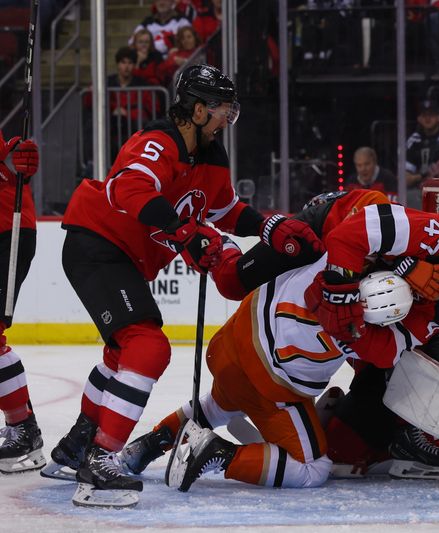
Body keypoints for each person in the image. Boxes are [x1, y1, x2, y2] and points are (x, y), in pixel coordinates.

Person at [43, 65, 323, 506]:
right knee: (146, 348)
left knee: (122, 353)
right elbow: (126, 189)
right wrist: (182, 231)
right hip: (98, 243)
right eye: (222, 113)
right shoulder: (158, 142)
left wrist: (269, 225)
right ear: (197, 109)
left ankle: (77, 445)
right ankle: (100, 459)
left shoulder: (212, 156)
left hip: (126, 257)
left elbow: (225, 210)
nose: (226, 122)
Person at [118, 206, 439, 491]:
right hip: (278, 386)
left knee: (220, 402)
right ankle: (220, 454)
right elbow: (350, 237)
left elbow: (352, 238)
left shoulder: (413, 298)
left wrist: (351, 311)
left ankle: (151, 442)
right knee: (312, 469)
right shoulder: (432, 247)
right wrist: (360, 304)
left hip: (234, 342)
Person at [0, 133, 41, 474]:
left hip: (6, 233)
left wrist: (17, 153)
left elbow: (15, 157)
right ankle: (22, 425)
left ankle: (23, 428)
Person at [405, 100, 439, 208]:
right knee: (407, 196)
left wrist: (420, 177)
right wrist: (421, 177)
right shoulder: (413, 140)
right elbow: (406, 177)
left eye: (431, 115)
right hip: (419, 189)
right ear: (419, 118)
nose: (427, 118)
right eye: (424, 115)